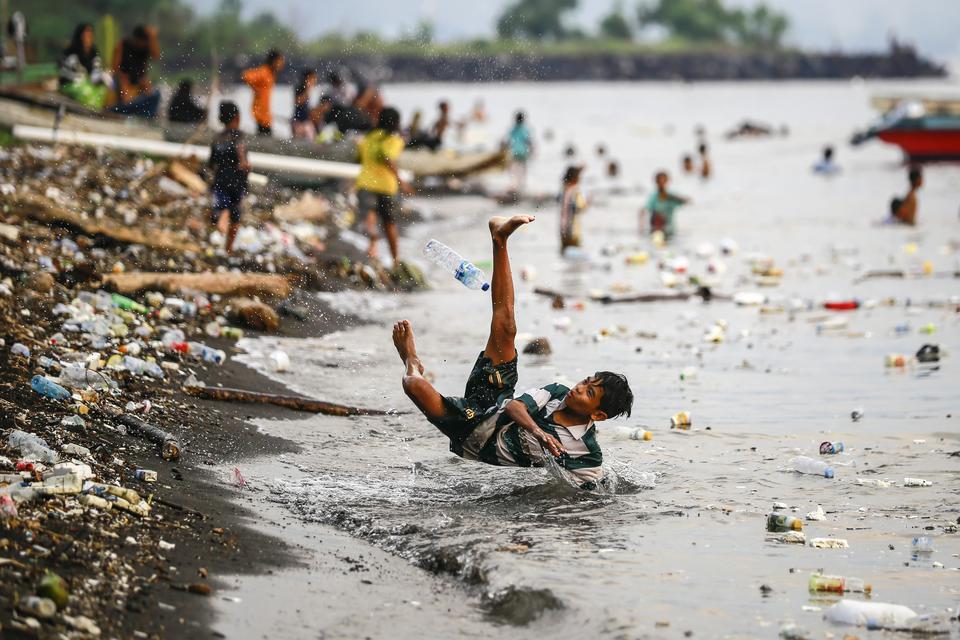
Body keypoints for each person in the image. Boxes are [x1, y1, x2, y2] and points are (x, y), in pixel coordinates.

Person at [392, 215, 634, 491]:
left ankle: (412, 361)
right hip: (497, 402)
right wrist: (538, 433)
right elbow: (514, 406)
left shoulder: (585, 453)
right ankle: (500, 238)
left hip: (474, 433)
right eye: (586, 382)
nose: (579, 388)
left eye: (589, 393)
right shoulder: (557, 393)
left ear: (599, 415)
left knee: (413, 384)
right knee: (507, 326)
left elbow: (593, 494)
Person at [355, 107, 411, 264]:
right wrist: (402, 182)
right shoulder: (394, 140)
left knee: (370, 213)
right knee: (389, 223)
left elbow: (358, 157)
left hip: (366, 183)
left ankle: (373, 241)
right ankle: (395, 260)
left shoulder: (368, 138)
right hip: (386, 185)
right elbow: (389, 159)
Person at [208, 102, 250, 254]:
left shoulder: (217, 138)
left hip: (221, 180)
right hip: (237, 181)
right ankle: (228, 248)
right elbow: (242, 157)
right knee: (235, 217)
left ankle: (222, 218)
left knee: (222, 207)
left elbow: (212, 163)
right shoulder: (239, 137)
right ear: (237, 118)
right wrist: (245, 165)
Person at [110, 25, 160, 117]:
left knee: (147, 84)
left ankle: (148, 115)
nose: (144, 44)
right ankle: (124, 111)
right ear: (137, 39)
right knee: (124, 86)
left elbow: (156, 56)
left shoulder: (146, 46)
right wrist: (121, 76)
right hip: (123, 78)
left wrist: (153, 37)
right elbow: (115, 67)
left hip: (139, 79)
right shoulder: (123, 44)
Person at [58, 24, 110, 109]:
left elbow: (96, 71)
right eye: (85, 35)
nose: (88, 38)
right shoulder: (71, 52)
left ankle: (94, 112)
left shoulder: (93, 52)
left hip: (88, 82)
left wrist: (101, 79)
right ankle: (87, 112)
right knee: (87, 92)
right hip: (71, 83)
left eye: (90, 35)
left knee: (101, 90)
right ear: (80, 36)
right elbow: (70, 74)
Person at [242, 49, 285, 136]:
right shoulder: (264, 72)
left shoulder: (271, 74)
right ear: (274, 61)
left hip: (266, 116)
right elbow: (245, 76)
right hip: (261, 116)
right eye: (280, 61)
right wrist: (256, 88)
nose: (282, 64)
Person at [642, 171, 689, 240]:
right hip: (656, 230)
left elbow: (687, 201)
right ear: (656, 182)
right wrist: (641, 227)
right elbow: (644, 210)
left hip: (671, 230)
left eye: (663, 181)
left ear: (667, 181)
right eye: (659, 181)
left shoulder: (671, 196)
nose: (661, 183)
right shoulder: (653, 197)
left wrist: (670, 197)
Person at [559, 165, 587, 253]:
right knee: (575, 258)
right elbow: (581, 207)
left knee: (564, 255)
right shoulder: (576, 192)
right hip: (573, 231)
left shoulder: (564, 190)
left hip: (563, 230)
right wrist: (588, 203)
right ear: (576, 178)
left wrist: (579, 170)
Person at [506, 111, 533, 192]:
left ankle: (515, 186)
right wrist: (531, 150)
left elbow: (508, 141)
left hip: (514, 152)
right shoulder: (525, 129)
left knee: (514, 169)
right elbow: (529, 141)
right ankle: (521, 186)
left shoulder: (513, 129)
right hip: (523, 152)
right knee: (523, 169)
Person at [291, 70, 318, 139]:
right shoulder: (300, 89)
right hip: (299, 121)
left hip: (307, 120)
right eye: (313, 78)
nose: (314, 80)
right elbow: (297, 101)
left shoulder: (314, 90)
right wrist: (307, 90)